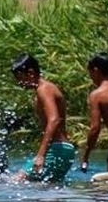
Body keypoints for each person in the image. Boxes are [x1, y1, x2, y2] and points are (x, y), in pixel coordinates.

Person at [11, 53, 76, 183]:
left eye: (20, 78)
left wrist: (40, 155)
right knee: (48, 193)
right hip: (63, 150)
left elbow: (54, 120)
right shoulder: (45, 88)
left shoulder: (44, 89)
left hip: (57, 149)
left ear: (30, 73)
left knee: (15, 182)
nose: (19, 83)